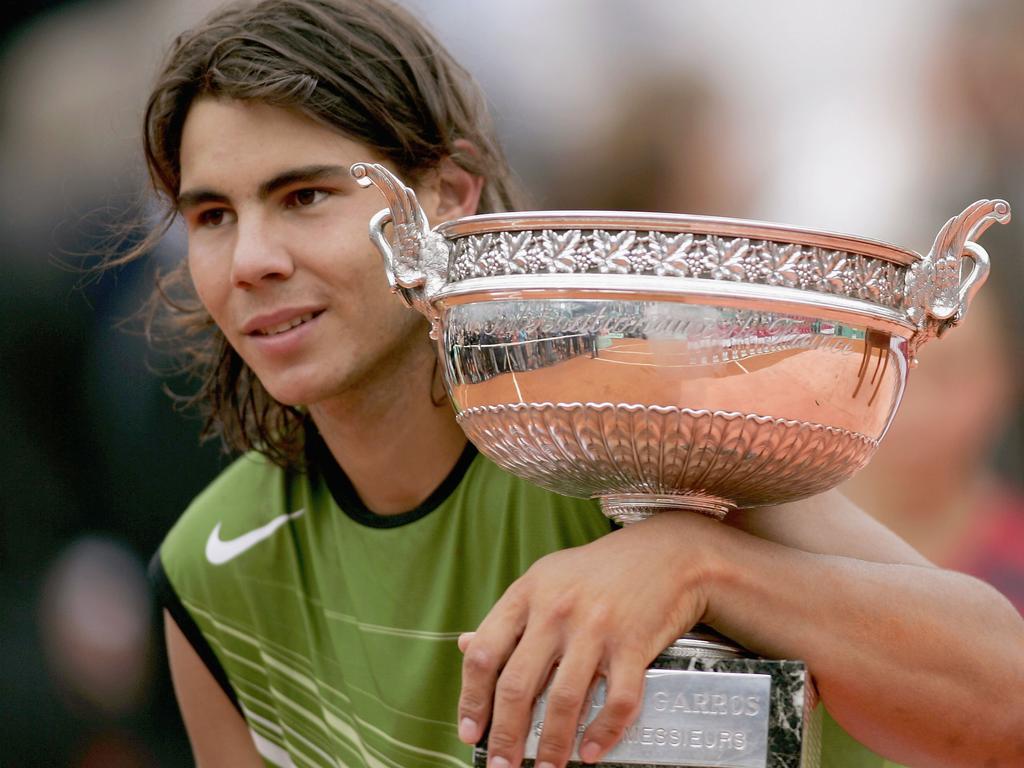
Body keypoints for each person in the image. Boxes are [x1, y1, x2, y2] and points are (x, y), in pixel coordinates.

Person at [131, 1, 1024, 767]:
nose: (251, 260)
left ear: (448, 198)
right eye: (213, 216)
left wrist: (698, 565)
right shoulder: (214, 567)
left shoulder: (636, 432)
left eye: (305, 197)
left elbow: (1006, 697)